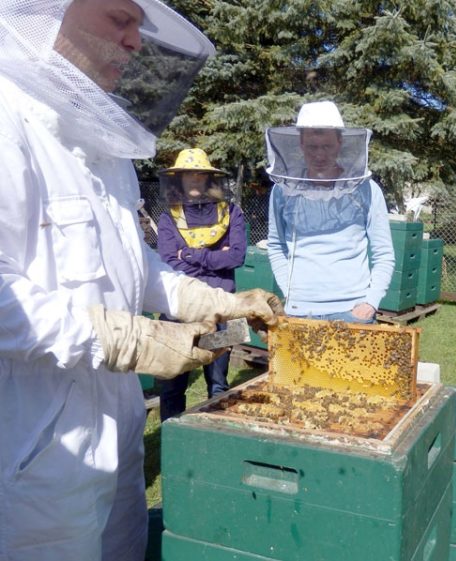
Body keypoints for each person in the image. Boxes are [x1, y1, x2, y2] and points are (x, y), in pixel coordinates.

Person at [0, 2, 282, 560]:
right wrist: (129, 339)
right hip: (33, 447)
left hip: (118, 424)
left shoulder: (105, 148)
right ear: (47, 14)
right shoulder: (8, 124)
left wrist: (209, 299)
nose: (134, 42)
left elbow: (135, 263)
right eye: (117, 19)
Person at [265, 100, 395, 322]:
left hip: (353, 310)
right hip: (299, 310)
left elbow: (384, 253)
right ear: (301, 145)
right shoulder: (282, 191)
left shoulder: (367, 189)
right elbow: (276, 246)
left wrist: (371, 301)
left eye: (327, 146)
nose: (320, 154)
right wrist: (290, 292)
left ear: (340, 144)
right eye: (313, 147)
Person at [157, 148, 247, 421]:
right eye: (188, 175)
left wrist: (192, 255)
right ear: (178, 179)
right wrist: (215, 258)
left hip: (222, 312)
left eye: (200, 174)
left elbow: (237, 256)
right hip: (177, 314)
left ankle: (216, 441)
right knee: (172, 386)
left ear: (210, 179)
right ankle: (172, 448)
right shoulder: (168, 217)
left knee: (219, 384)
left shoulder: (232, 212)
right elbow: (169, 263)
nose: (194, 180)